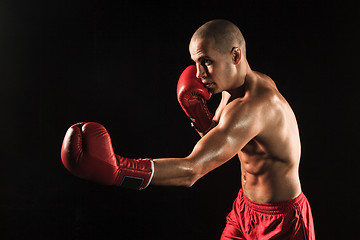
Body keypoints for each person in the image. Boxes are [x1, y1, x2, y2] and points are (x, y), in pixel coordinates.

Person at [61, 19, 315, 239]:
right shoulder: (235, 89)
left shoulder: (255, 106)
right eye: (195, 63)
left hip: (283, 223)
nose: (199, 73)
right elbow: (216, 137)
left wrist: (119, 171)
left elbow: (192, 171)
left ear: (235, 55)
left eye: (206, 62)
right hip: (245, 210)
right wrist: (199, 115)